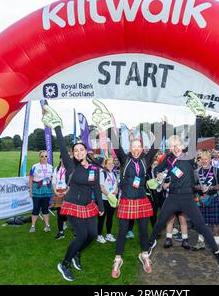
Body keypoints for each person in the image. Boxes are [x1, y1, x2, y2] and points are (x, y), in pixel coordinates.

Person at [148, 92, 219, 272]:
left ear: (182, 146)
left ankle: (218, 254)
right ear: (169, 147)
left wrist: (198, 117)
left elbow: (194, 134)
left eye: (177, 145)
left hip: (187, 198)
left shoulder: (189, 156)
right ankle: (148, 247)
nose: (175, 148)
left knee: (201, 225)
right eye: (172, 145)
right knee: (160, 223)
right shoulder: (167, 158)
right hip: (172, 197)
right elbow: (157, 171)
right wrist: (160, 179)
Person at [92, 99, 159, 279]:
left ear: (142, 148)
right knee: (122, 231)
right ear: (130, 147)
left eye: (139, 147)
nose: (136, 150)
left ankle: (144, 255)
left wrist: (163, 127)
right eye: (133, 147)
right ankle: (118, 259)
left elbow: (156, 145)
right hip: (127, 201)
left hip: (142, 201)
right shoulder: (124, 159)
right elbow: (114, 143)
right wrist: (106, 125)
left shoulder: (146, 159)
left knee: (144, 231)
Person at [42, 106, 105, 282]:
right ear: (73, 153)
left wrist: (101, 206)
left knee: (92, 234)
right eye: (76, 151)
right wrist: (57, 128)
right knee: (82, 235)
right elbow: (62, 146)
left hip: (89, 206)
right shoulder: (71, 166)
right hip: (72, 205)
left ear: (86, 151)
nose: (79, 153)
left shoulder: (94, 168)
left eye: (81, 150)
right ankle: (65, 264)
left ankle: (77, 253)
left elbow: (97, 189)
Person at [193, 150, 219, 250]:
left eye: (206, 159)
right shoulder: (196, 172)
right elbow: (193, 186)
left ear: (210, 159)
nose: (204, 161)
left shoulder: (216, 170)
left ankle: (216, 244)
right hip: (201, 200)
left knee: (214, 223)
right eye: (202, 159)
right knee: (200, 222)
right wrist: (199, 188)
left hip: (213, 198)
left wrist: (210, 188)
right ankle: (200, 242)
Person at [28, 150, 54, 233]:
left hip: (47, 189)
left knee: (45, 208)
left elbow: (53, 178)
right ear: (39, 157)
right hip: (37, 189)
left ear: (48, 157)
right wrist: (30, 190)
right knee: (36, 208)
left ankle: (47, 226)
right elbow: (31, 179)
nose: (44, 158)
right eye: (42, 156)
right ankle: (33, 226)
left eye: (46, 156)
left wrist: (51, 179)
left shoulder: (51, 167)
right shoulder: (35, 166)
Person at [97, 157, 118, 244]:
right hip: (104, 199)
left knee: (110, 217)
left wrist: (115, 193)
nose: (111, 165)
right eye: (109, 163)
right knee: (101, 218)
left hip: (112, 199)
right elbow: (101, 187)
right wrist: (109, 195)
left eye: (112, 163)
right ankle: (99, 235)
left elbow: (116, 185)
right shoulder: (102, 173)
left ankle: (108, 234)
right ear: (105, 164)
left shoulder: (114, 173)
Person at [51, 155, 68, 239]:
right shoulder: (56, 169)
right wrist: (55, 192)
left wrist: (66, 192)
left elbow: (71, 183)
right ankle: (61, 232)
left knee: (68, 212)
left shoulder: (69, 169)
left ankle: (76, 231)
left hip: (67, 192)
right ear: (60, 159)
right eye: (62, 158)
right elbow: (54, 181)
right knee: (59, 212)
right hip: (57, 191)